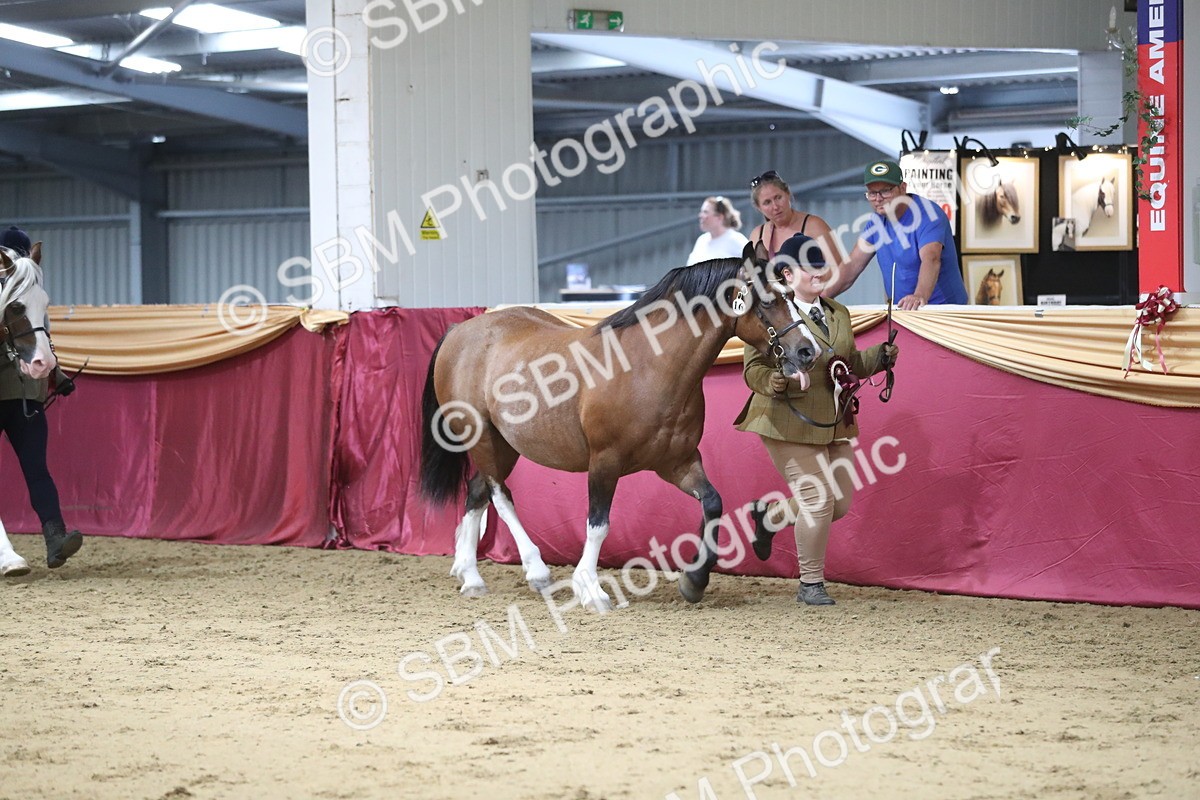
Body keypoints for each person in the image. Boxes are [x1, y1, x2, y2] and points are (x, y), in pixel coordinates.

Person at [734, 232, 898, 606]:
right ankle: (811, 584)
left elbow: (847, 365)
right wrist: (775, 380)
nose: (821, 273)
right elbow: (752, 371)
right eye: (811, 267)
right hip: (784, 418)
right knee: (818, 499)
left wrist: (880, 357)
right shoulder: (772, 310)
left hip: (832, 421)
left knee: (838, 505)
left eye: (823, 265)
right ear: (788, 275)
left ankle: (769, 518)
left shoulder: (838, 312)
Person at [0, 225, 82, 570]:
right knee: (38, 471)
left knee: (37, 469)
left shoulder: (29, 293)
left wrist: (56, 374)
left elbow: (41, 337)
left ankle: (55, 537)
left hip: (24, 394)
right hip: (17, 390)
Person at [823, 159, 968, 309]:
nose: (878, 199)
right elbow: (852, 265)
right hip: (903, 311)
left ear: (902, 188)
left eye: (886, 191)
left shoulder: (929, 214)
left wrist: (919, 296)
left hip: (943, 311)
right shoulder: (876, 222)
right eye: (872, 193)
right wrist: (821, 298)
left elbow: (931, 258)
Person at [746, 170, 834, 259]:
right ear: (759, 207)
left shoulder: (814, 225)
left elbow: (837, 268)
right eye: (767, 202)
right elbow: (749, 271)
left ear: (788, 193)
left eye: (778, 197)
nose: (775, 206)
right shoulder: (757, 235)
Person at [686, 196, 749, 265]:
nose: (700, 215)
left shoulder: (737, 240)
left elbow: (753, 271)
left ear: (719, 217)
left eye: (705, 212)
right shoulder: (701, 240)